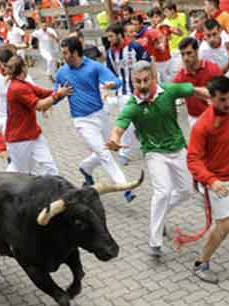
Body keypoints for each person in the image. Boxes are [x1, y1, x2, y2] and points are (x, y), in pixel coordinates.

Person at [106, 60, 210, 257]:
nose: (143, 85)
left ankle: (159, 216)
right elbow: (119, 126)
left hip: (178, 149)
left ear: (154, 78)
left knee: (187, 190)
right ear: (133, 82)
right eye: (138, 82)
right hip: (154, 153)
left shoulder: (168, 91)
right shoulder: (132, 106)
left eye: (146, 80)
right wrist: (114, 140)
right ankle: (155, 243)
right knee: (162, 192)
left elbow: (194, 90)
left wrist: (215, 97)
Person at [54, 37, 135, 202]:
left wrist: (111, 85)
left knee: (105, 150)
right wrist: (58, 94)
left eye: (65, 53)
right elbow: (55, 97)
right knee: (104, 153)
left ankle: (85, 168)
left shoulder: (94, 67)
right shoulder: (62, 72)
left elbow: (117, 81)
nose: (63, 57)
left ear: (75, 53)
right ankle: (125, 187)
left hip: (100, 115)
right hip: (82, 121)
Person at [187, 76, 229, 284]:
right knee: (224, 225)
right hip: (219, 182)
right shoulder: (203, 125)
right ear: (211, 99)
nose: (227, 104)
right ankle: (201, 263)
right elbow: (193, 160)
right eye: (222, 100)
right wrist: (211, 181)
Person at [5, 55, 70, 176]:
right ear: (23, 68)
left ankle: (48, 192)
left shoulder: (24, 84)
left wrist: (62, 90)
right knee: (22, 175)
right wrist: (58, 95)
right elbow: (39, 105)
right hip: (20, 139)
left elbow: (43, 93)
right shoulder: (17, 88)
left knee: (51, 168)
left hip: (33, 135)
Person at [105, 22, 151, 165]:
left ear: (120, 35)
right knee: (126, 122)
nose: (109, 40)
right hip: (123, 93)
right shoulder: (110, 53)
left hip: (140, 90)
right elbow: (111, 73)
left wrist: (151, 85)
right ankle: (125, 153)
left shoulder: (135, 47)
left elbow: (148, 64)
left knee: (143, 119)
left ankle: (146, 143)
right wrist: (109, 88)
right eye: (108, 37)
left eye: (111, 36)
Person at [173, 37, 223, 128]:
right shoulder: (180, 77)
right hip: (194, 119)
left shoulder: (212, 69)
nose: (185, 58)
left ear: (197, 51)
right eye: (182, 54)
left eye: (189, 53)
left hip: (215, 116)